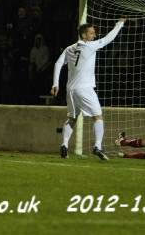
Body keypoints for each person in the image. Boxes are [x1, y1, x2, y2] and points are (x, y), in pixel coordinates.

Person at [51, 19, 125, 160]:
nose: (94, 35)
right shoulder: (90, 46)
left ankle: (64, 145)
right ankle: (97, 146)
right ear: (84, 35)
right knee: (98, 117)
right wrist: (119, 24)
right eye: (91, 33)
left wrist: (55, 84)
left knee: (72, 118)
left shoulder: (69, 48)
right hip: (84, 89)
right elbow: (108, 38)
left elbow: (58, 63)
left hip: (70, 90)